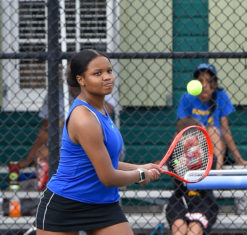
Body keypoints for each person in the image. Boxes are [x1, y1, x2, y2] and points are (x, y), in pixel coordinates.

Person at [35, 49, 160, 234]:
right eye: (97, 73)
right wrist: (140, 175)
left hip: (103, 205)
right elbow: (108, 176)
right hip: (65, 205)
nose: (107, 77)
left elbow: (105, 162)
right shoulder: (84, 118)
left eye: (109, 71)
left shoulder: (102, 110)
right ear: (81, 79)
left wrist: (139, 167)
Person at [18, 79, 117, 191]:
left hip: (96, 144)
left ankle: (86, 191)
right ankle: (51, 193)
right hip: (64, 145)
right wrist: (28, 159)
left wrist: (87, 92)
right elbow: (45, 130)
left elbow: (106, 110)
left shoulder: (97, 86)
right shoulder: (57, 92)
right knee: (42, 154)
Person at [177, 63, 247, 170]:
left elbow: (225, 129)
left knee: (213, 131)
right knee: (190, 135)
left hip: (217, 146)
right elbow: (179, 125)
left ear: (214, 84)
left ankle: (218, 173)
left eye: (208, 81)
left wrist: (239, 159)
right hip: (194, 145)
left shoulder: (220, 95)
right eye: (200, 81)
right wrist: (195, 123)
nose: (204, 86)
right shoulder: (187, 97)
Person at [165, 116, 219, 235]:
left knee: (193, 231)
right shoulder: (175, 157)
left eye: (194, 135)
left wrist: (195, 161)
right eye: (186, 136)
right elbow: (172, 163)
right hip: (180, 199)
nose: (190, 141)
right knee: (178, 228)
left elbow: (211, 166)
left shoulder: (207, 155)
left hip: (203, 200)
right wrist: (180, 163)